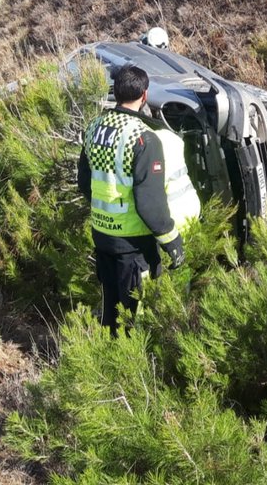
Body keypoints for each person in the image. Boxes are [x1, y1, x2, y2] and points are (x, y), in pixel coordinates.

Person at [78, 64, 186, 333]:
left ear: (114, 92)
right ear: (144, 96)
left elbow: (84, 182)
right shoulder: (143, 139)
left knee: (110, 311)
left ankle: (107, 359)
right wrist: (171, 240)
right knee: (133, 317)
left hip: (102, 234)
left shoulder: (94, 127)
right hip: (133, 244)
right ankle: (128, 366)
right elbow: (149, 202)